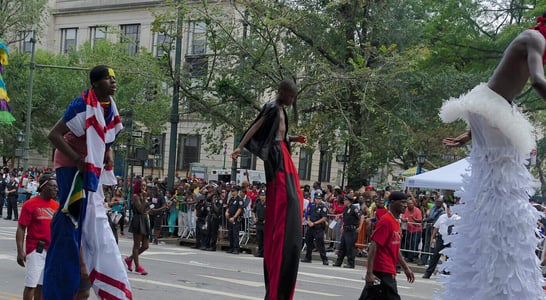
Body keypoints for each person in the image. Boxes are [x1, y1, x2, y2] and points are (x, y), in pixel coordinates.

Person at [438, 13, 546, 299]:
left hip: (491, 107)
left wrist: (471, 133)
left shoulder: (532, 39)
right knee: (503, 182)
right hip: (492, 106)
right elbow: (537, 81)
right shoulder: (535, 38)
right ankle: (498, 274)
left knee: (496, 179)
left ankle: (490, 264)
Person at [43, 65, 124, 299]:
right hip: (72, 165)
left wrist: (108, 153)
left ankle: (86, 264)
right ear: (96, 83)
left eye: (114, 77)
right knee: (71, 215)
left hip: (91, 164)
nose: (113, 81)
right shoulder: (81, 105)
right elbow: (53, 135)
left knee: (89, 216)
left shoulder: (109, 106)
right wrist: (77, 158)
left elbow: (107, 136)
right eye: (109, 78)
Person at [231, 79, 306, 300]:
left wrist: (295, 138)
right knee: (289, 197)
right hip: (275, 155)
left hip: (282, 149)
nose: (292, 100)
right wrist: (240, 146)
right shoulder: (272, 107)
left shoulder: (283, 110)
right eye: (290, 96)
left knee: (296, 196)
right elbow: (256, 126)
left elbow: (280, 134)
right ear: (282, 92)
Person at [360, 191, 414, 300]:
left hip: (388, 269)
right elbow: (374, 246)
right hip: (381, 270)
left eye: (406, 202)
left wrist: (406, 268)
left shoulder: (396, 222)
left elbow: (395, 248)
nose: (405, 205)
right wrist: (369, 273)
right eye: (402, 202)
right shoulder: (386, 221)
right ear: (392, 202)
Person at [16, 174, 59, 300]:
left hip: (51, 251)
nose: (56, 189)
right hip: (36, 249)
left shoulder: (56, 206)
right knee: (31, 286)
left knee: (42, 286)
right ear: (44, 187)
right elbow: (21, 228)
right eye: (53, 187)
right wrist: (20, 251)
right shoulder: (30, 204)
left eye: (57, 187)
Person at [422, 205, 459, 279]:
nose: (449, 212)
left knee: (449, 257)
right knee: (435, 255)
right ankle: (428, 272)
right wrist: (432, 238)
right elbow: (436, 228)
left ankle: (447, 272)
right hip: (441, 238)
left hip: (451, 238)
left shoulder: (457, 218)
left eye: (451, 210)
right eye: (448, 209)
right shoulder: (442, 217)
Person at [333, 195, 363, 268]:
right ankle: (338, 262)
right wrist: (343, 225)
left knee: (350, 247)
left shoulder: (354, 208)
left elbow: (361, 216)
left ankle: (351, 263)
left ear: (348, 201)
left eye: (345, 200)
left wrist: (360, 226)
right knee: (342, 246)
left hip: (352, 230)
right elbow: (345, 217)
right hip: (346, 229)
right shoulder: (346, 208)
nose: (344, 201)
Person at [301, 190, 329, 265]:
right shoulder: (312, 205)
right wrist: (309, 221)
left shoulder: (323, 207)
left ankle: (324, 259)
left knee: (320, 244)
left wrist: (314, 223)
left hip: (318, 227)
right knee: (308, 241)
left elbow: (324, 218)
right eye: (316, 198)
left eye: (319, 199)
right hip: (311, 226)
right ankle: (308, 257)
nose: (318, 200)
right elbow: (308, 214)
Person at [225, 185, 243, 254]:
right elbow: (228, 207)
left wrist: (234, 217)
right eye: (231, 191)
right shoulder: (231, 199)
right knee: (230, 233)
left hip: (235, 219)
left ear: (237, 192)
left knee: (235, 234)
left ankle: (236, 248)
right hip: (230, 218)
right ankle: (231, 247)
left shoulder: (239, 199)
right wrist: (226, 212)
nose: (232, 192)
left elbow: (239, 209)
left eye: (233, 191)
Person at [252, 189, 267, 257]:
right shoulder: (257, 203)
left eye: (263, 195)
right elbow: (253, 211)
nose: (262, 197)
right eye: (261, 195)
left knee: (265, 239)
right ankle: (260, 252)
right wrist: (254, 218)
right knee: (259, 238)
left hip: (265, 224)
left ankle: (265, 253)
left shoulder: (268, 203)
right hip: (258, 223)